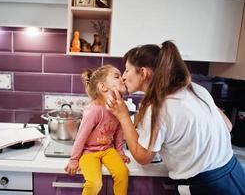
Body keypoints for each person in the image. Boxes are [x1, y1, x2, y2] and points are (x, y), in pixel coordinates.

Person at [105, 40, 245, 195]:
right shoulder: (195, 89)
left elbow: (143, 157)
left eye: (127, 70)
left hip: (209, 187)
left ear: (143, 73)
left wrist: (123, 115)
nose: (123, 77)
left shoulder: (158, 108)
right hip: (235, 173)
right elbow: (227, 125)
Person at [65, 64, 130, 195]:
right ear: (103, 87)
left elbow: (119, 131)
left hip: (107, 149)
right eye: (117, 76)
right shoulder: (94, 110)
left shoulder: (120, 106)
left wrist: (120, 152)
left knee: (123, 173)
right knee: (95, 183)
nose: (122, 78)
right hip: (88, 152)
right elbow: (81, 136)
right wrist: (74, 159)